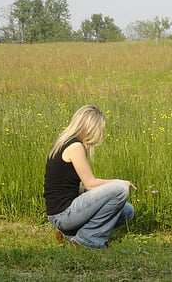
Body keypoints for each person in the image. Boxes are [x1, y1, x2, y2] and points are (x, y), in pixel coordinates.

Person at [44, 105, 136, 249]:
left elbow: (65, 186)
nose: (101, 133)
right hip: (63, 215)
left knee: (127, 211)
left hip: (61, 213)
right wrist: (117, 183)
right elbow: (90, 184)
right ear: (90, 126)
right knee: (120, 188)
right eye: (100, 128)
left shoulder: (63, 143)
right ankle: (88, 240)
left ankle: (71, 233)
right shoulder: (75, 147)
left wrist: (102, 193)